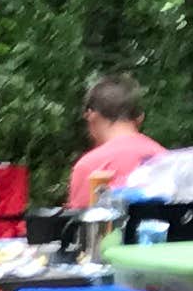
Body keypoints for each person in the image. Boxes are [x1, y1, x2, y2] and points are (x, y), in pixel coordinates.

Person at [67, 73, 166, 210]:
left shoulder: (89, 166)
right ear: (140, 117)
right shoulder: (165, 158)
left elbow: (77, 227)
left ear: (91, 115)